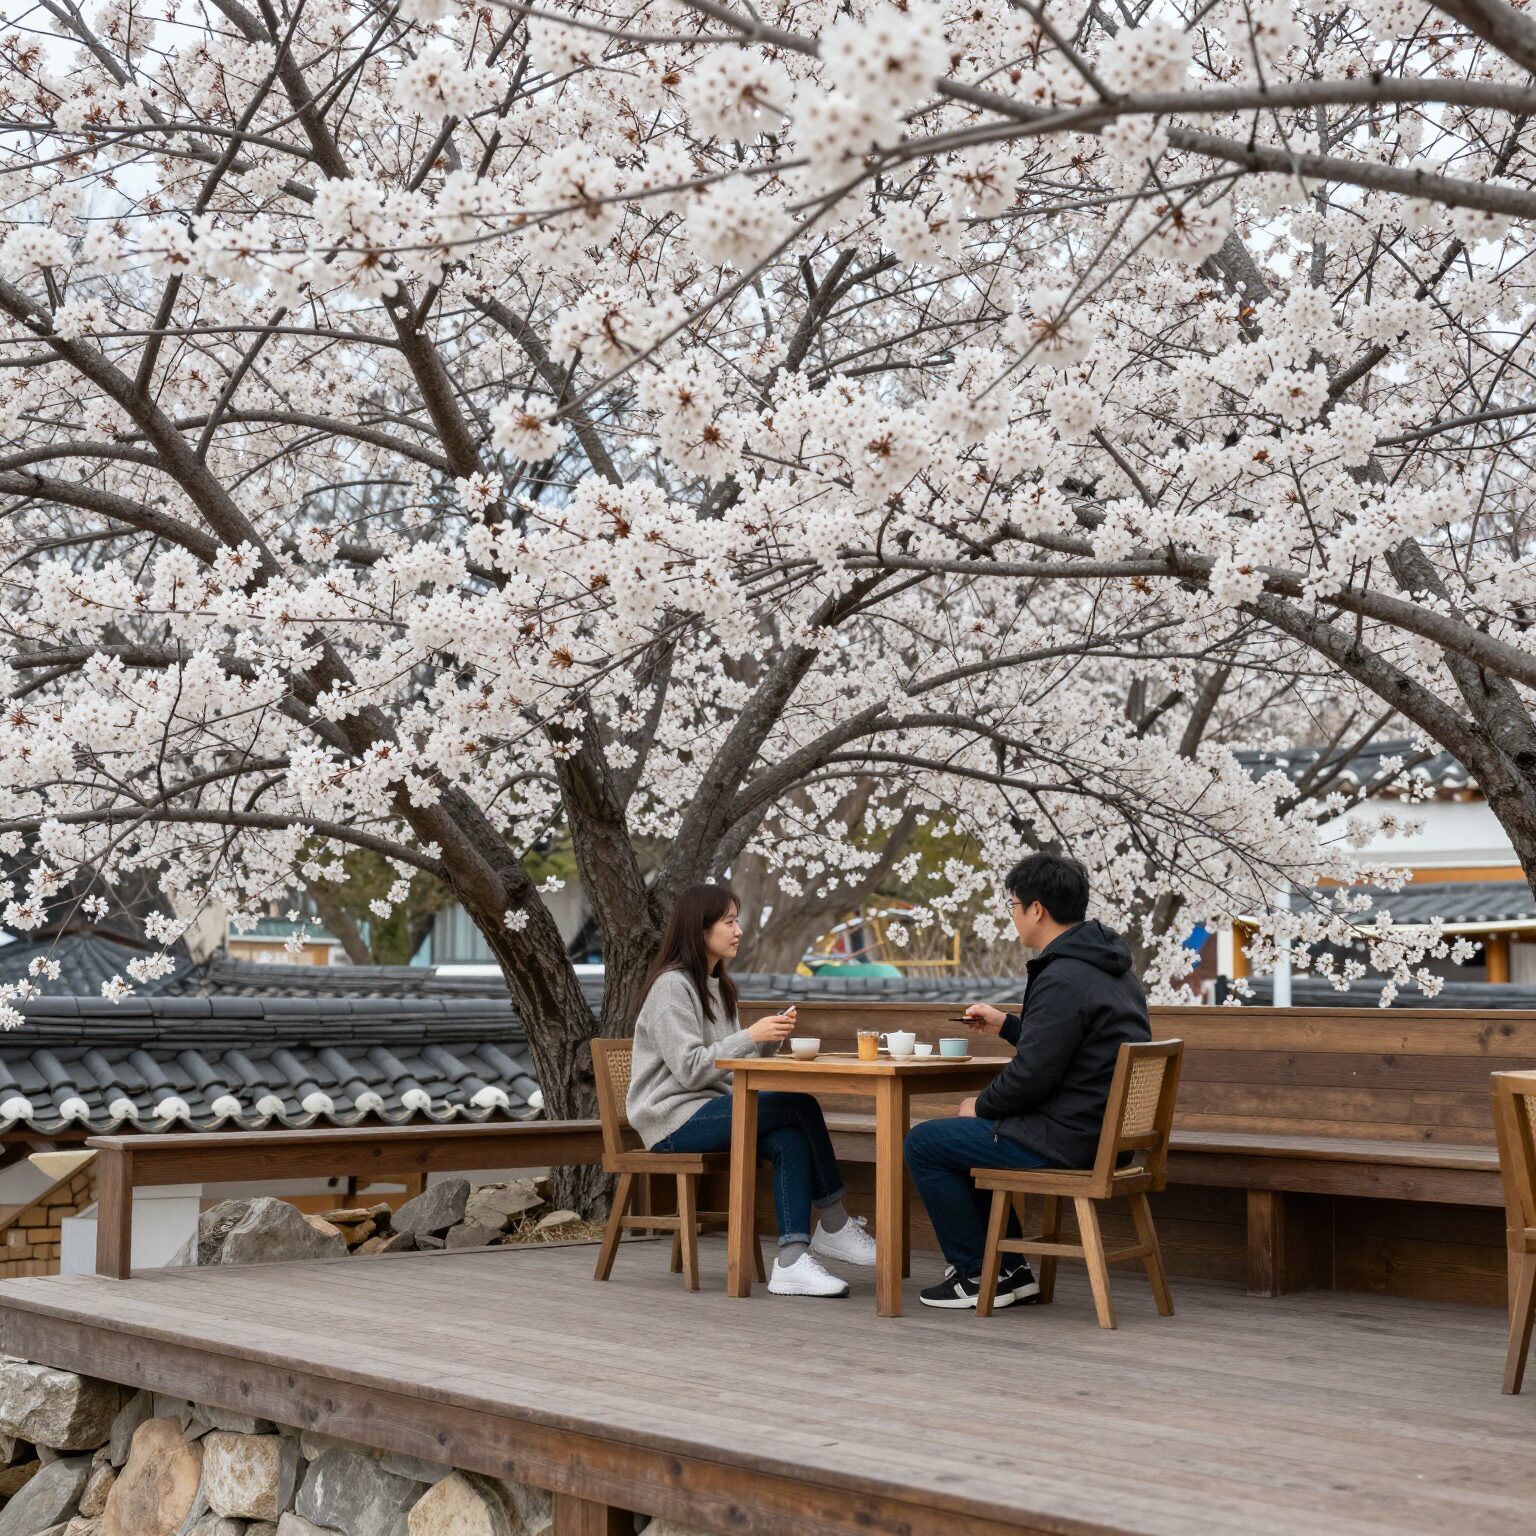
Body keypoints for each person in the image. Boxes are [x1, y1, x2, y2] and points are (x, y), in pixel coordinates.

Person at [904, 851, 1151, 1309]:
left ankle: (979, 1275)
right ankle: (1012, 1270)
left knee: (926, 1143)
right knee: (958, 1137)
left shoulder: (1061, 975)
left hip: (1067, 1139)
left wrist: (978, 1106)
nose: (1013, 916)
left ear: (1037, 908)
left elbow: (1034, 1076)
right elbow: (1067, 1050)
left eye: (1013, 905)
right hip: (1100, 1133)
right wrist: (1007, 1026)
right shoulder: (1109, 969)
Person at [626, 882, 878, 1297]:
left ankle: (792, 1261)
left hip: (710, 1108)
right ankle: (833, 1222)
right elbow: (690, 1070)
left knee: (789, 1136)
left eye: (736, 919)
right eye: (728, 921)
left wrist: (767, 1039)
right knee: (799, 1106)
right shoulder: (672, 987)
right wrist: (749, 1035)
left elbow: (729, 1067)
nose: (738, 929)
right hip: (671, 1121)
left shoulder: (718, 986)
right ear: (699, 929)